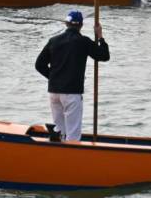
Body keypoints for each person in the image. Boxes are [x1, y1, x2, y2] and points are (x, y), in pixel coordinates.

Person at [35, 10, 110, 142]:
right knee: (73, 134)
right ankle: (71, 157)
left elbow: (39, 65)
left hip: (54, 93)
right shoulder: (83, 42)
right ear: (80, 25)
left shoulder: (53, 41)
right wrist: (100, 36)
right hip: (72, 93)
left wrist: (54, 78)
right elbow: (104, 56)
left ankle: (59, 155)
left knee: (60, 132)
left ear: (66, 24)